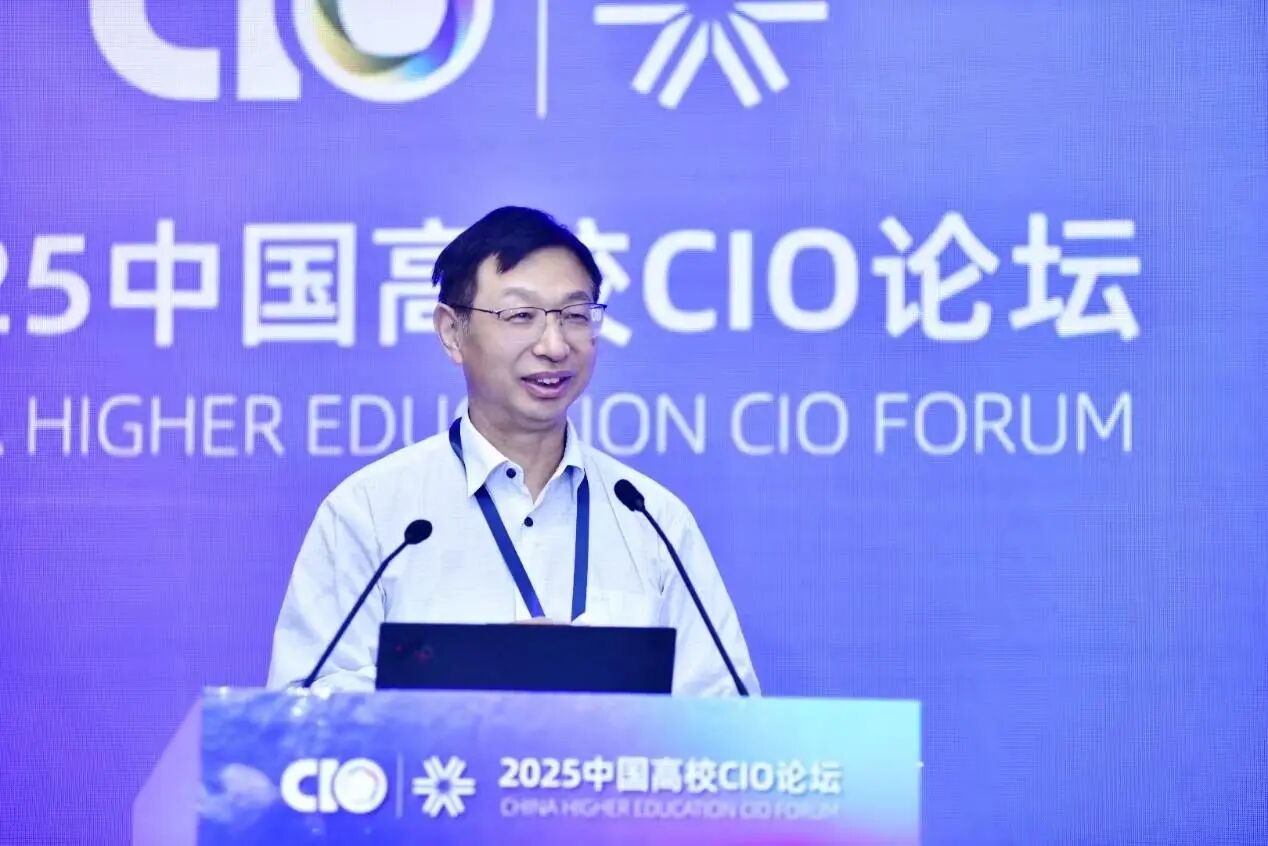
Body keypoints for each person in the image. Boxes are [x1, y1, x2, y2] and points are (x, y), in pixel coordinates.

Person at [267, 206, 759, 696]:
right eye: (521, 316)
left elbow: (728, 712)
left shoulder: (652, 519)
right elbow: (299, 706)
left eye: (574, 316)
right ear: (451, 331)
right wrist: (476, 674)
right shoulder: (371, 513)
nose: (554, 345)